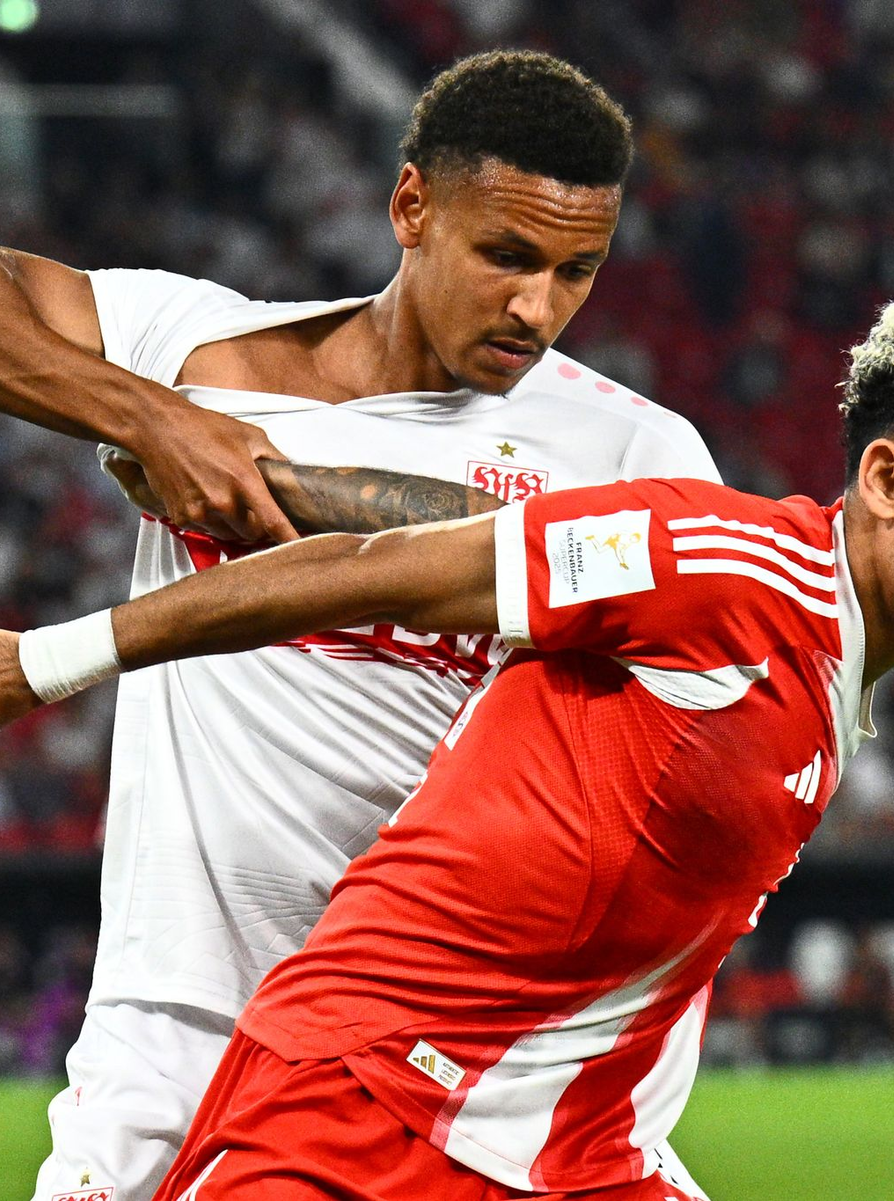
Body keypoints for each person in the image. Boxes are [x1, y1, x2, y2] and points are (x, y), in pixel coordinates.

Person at [0, 280, 894, 1198]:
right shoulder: (731, 569)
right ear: (886, 479)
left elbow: (484, 535)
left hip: (569, 1151)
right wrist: (52, 657)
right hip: (361, 1115)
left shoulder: (819, 658)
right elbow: (379, 573)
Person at [0, 50, 718, 1201]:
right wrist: (155, 417)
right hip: (183, 1012)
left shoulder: (631, 454)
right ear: (409, 207)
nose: (539, 307)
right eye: (507, 257)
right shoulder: (197, 347)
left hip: (450, 1047)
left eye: (578, 270)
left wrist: (285, 490)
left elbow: (672, 644)